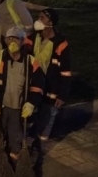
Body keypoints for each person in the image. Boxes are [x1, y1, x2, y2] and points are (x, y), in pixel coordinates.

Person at [0, 27, 45, 160]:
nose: (12, 41)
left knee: (16, 137)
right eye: (9, 38)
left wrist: (31, 103)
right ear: (5, 40)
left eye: (16, 38)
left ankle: (15, 161)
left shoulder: (31, 62)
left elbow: (38, 86)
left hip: (18, 108)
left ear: (22, 41)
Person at [26, 8, 71, 141]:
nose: (38, 21)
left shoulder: (61, 44)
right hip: (33, 86)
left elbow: (66, 72)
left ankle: (41, 143)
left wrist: (62, 95)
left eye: (42, 18)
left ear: (50, 22)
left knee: (47, 117)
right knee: (30, 117)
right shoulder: (32, 38)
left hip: (51, 88)